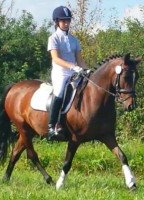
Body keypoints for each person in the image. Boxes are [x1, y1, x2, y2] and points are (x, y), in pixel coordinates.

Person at [47, 5, 87, 140]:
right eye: (63, 20)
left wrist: (87, 70)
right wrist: (72, 66)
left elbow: (79, 60)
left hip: (74, 72)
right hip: (61, 73)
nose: (66, 23)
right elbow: (56, 59)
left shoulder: (74, 40)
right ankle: (52, 126)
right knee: (59, 93)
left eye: (68, 20)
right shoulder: (53, 38)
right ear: (57, 22)